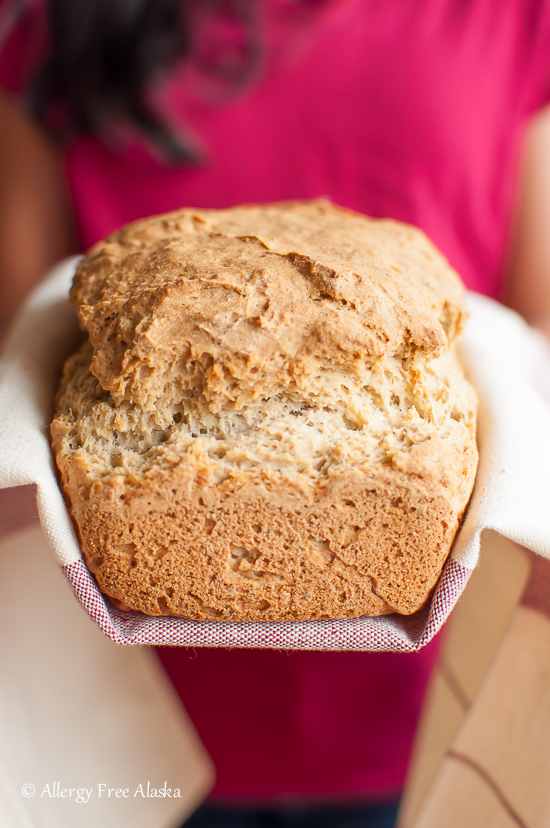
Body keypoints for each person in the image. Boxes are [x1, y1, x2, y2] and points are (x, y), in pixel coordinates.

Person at [1, 2, 550, 826]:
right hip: (125, 730)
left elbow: (535, 342)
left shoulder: (514, 21)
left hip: (429, 719)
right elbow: (25, 349)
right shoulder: (61, 26)